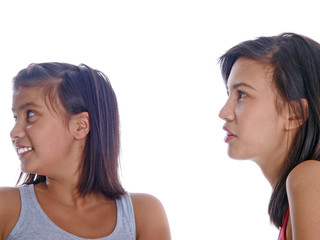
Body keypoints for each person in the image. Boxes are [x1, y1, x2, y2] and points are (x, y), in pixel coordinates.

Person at [0, 63, 171, 240]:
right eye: (15, 117)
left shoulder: (143, 216)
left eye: (30, 114)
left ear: (80, 126)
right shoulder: (6, 208)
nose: (14, 132)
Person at [219, 33, 320, 239]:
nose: (224, 112)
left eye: (242, 95)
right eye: (228, 94)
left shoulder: (309, 177)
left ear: (295, 114)